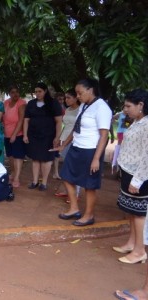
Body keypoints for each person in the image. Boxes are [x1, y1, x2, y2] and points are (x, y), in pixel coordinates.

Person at [55, 78, 112, 226]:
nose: (78, 96)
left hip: (90, 151)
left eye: (80, 93)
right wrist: (64, 145)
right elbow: (76, 128)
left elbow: (104, 135)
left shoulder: (101, 107)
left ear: (90, 90)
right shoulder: (85, 106)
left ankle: (88, 216)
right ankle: (74, 208)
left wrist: (96, 158)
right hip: (76, 147)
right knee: (66, 176)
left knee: (89, 185)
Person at [114, 89, 148, 300]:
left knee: (138, 213)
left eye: (128, 106)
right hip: (129, 170)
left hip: (139, 175)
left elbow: (147, 156)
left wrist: (138, 179)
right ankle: (131, 242)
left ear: (141, 105)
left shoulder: (147, 125)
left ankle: (139, 250)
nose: (125, 110)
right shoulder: (137, 122)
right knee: (129, 210)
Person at [23, 82, 62, 191]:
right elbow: (26, 120)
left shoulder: (53, 103)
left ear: (45, 91)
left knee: (46, 159)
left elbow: (59, 121)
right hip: (33, 135)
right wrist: (25, 134)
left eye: (39, 91)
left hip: (49, 136)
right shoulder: (31, 104)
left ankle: (44, 183)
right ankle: (35, 181)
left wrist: (57, 137)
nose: (37, 93)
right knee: (35, 159)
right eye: (36, 92)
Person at [54, 89, 81, 198]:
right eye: (65, 97)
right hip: (64, 138)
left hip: (75, 140)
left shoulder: (81, 110)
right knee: (66, 166)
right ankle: (67, 191)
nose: (66, 100)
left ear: (76, 98)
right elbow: (64, 125)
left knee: (74, 167)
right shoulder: (67, 109)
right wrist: (58, 138)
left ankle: (76, 193)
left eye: (69, 97)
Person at [2, 85, 27, 188]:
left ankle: (16, 177)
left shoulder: (21, 103)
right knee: (10, 156)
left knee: (18, 157)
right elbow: (3, 118)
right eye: (12, 92)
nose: (15, 94)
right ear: (9, 93)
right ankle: (12, 173)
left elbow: (21, 120)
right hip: (6, 134)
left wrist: (14, 135)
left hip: (18, 134)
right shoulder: (6, 103)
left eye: (17, 92)